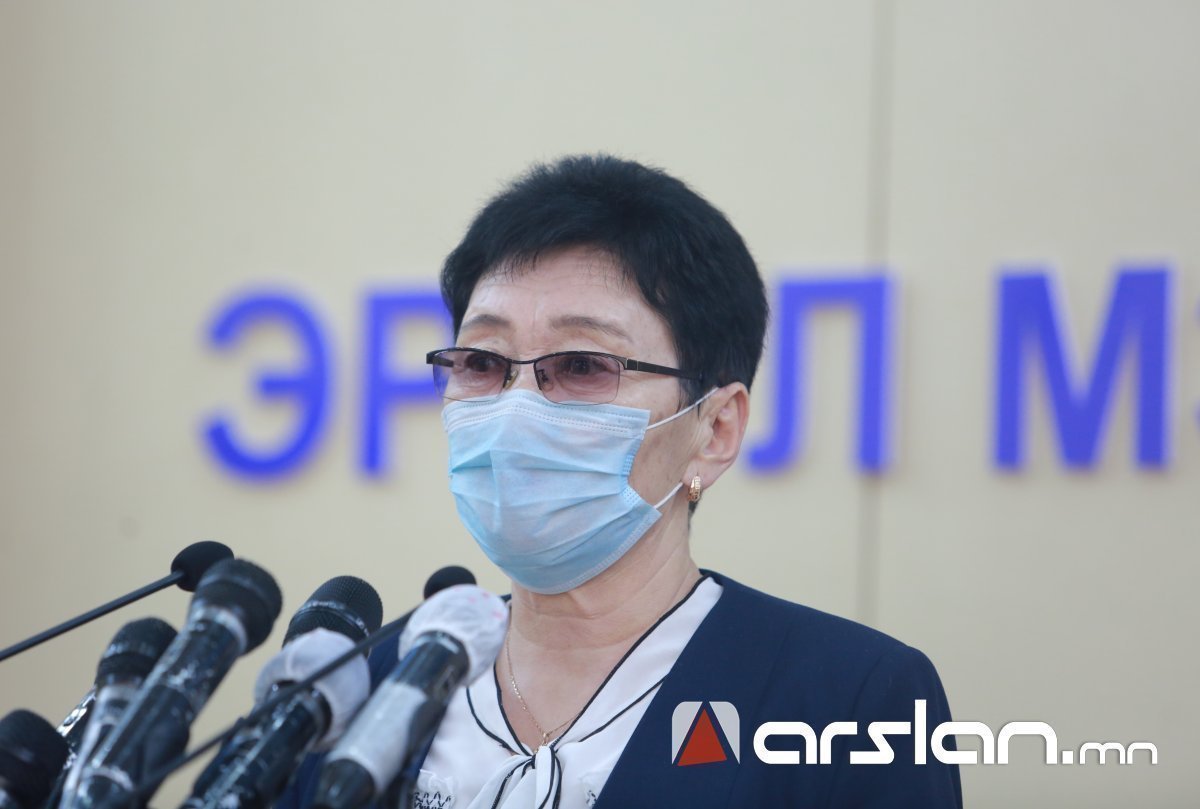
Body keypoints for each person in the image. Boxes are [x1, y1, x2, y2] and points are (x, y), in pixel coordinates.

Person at [281, 155, 961, 808]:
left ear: (715, 429)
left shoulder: (849, 700)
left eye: (581, 365)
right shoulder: (359, 690)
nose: (517, 408)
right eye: (482, 362)